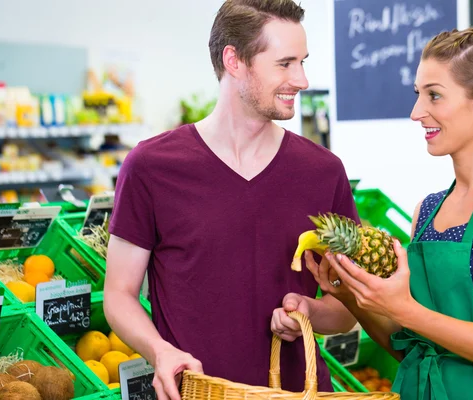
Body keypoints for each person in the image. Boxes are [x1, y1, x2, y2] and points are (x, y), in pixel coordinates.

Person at [103, 1, 358, 399]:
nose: (302, 80)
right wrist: (160, 352)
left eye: (303, 62)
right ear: (234, 60)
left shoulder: (324, 173)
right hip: (197, 392)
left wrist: (311, 312)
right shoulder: (152, 167)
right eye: (285, 64)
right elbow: (118, 294)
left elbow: (345, 309)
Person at [304, 27, 473, 400]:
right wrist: (348, 293)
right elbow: (410, 349)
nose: (416, 113)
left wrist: (407, 310)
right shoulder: (427, 211)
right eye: (418, 95)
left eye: (434, 96)